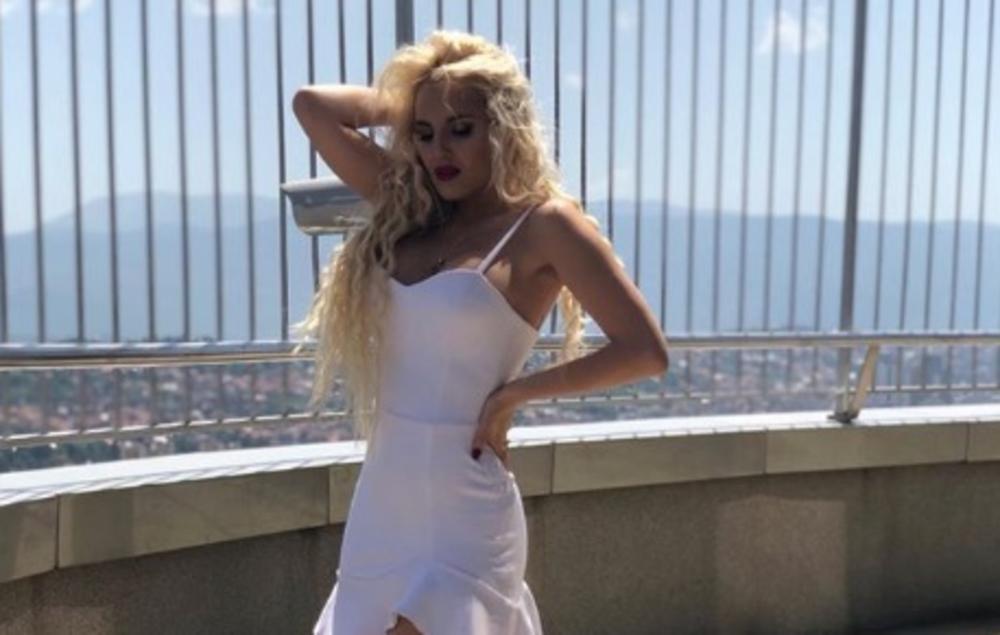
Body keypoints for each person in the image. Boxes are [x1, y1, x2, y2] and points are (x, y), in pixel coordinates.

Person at [292, 29, 669, 635]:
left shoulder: (546, 226)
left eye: (461, 129)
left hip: (466, 504)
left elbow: (645, 351)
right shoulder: (414, 209)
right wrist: (416, 96)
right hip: (384, 500)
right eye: (424, 133)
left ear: (503, 127)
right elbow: (312, 106)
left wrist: (514, 396)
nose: (439, 150)